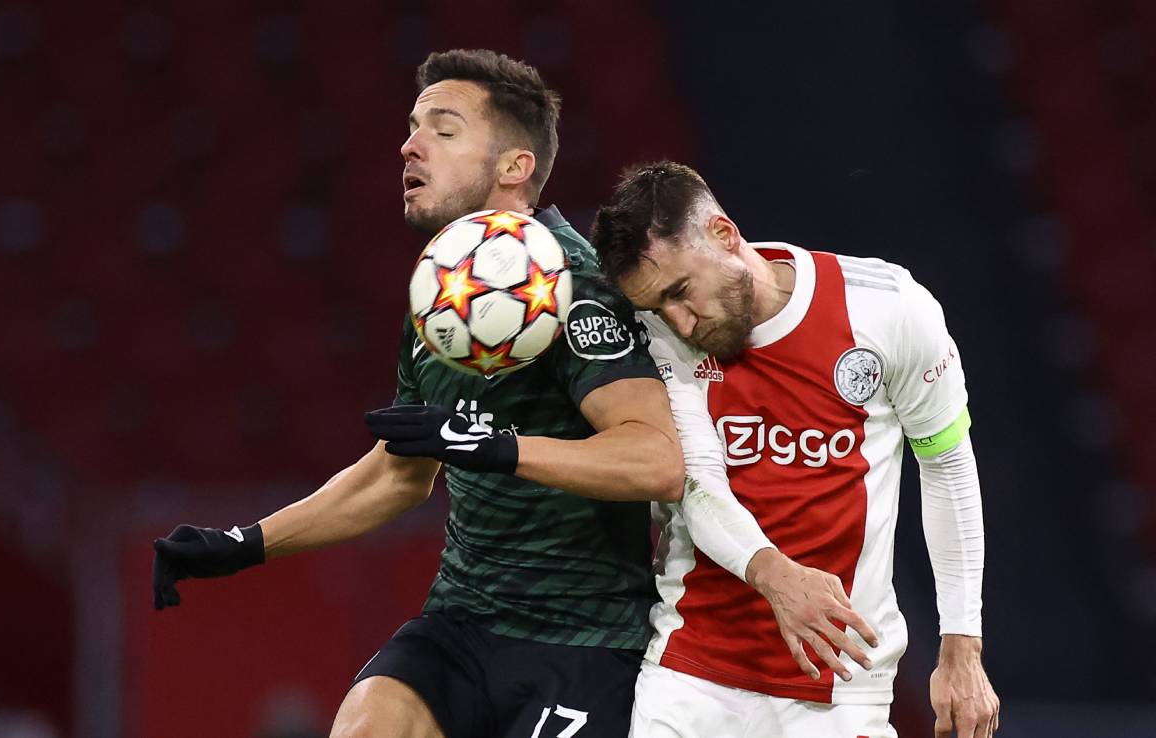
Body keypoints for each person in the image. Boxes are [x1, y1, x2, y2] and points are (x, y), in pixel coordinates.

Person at [151, 50, 687, 738]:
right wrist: (245, 543)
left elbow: (655, 459)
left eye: (444, 129)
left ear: (515, 166)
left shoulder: (570, 287)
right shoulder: (441, 291)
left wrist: (496, 447)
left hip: (582, 643)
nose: (410, 145)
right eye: (411, 128)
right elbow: (399, 475)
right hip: (462, 625)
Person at [589, 161, 1000, 738]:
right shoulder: (658, 335)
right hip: (693, 673)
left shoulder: (887, 309)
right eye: (659, 308)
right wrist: (776, 577)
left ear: (723, 234)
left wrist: (961, 644)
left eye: (680, 293)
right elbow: (696, 482)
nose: (679, 322)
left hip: (840, 685)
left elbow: (946, 464)